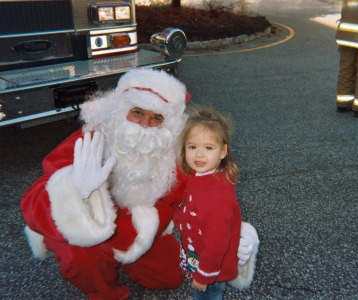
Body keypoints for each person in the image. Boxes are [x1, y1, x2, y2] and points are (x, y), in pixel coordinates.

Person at [20, 69, 259, 300]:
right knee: (81, 257)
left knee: (169, 278)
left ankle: (124, 261)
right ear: (119, 110)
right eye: (137, 112)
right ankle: (103, 292)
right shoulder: (90, 140)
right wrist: (77, 190)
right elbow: (32, 202)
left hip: (139, 231)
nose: (145, 124)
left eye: (157, 118)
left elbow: (202, 197)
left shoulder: (174, 153)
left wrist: (231, 233)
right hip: (92, 230)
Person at [174, 107, 246, 299]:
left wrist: (204, 275)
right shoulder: (203, 176)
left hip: (210, 268)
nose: (199, 155)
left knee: (207, 296)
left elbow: (217, 241)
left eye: (208, 148)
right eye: (192, 147)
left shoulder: (216, 194)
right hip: (199, 253)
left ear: (223, 151)